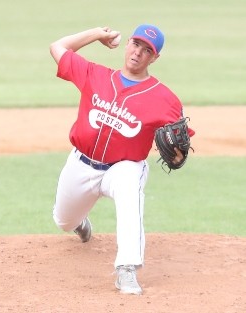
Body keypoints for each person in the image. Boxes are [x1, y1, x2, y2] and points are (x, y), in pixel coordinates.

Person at [50, 24, 195, 295]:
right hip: (81, 163)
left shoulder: (166, 99)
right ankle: (80, 221)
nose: (139, 53)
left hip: (123, 167)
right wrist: (97, 34)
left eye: (147, 50)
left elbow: (181, 146)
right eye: (136, 44)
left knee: (131, 185)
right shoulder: (95, 75)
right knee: (63, 221)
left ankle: (126, 269)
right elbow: (57, 48)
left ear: (155, 58)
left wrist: (177, 155)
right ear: (127, 43)